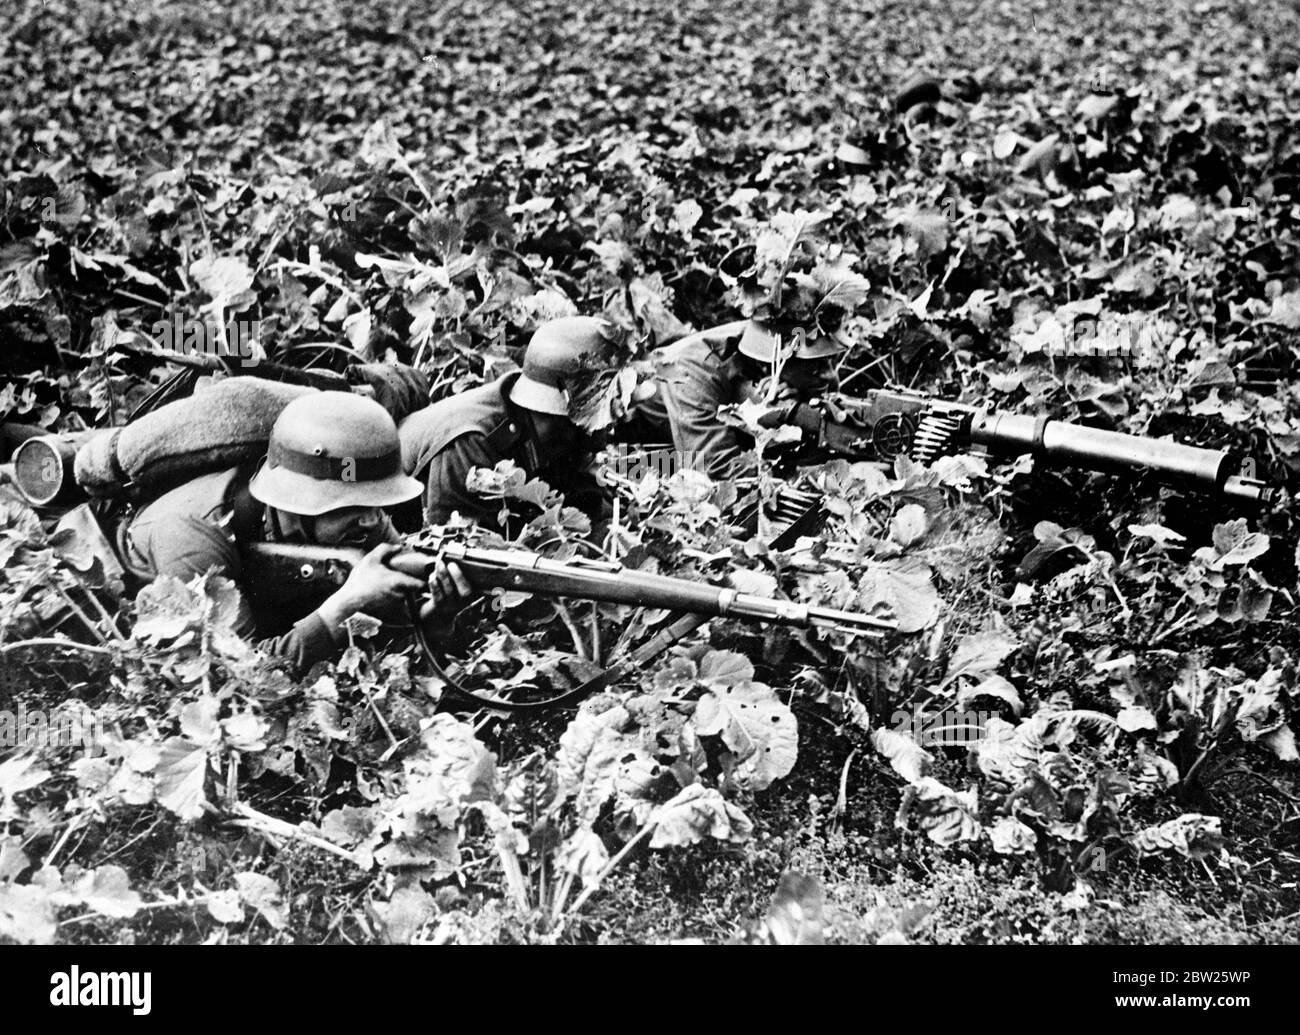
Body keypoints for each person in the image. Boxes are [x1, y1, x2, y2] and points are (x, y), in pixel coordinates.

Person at [118, 391, 470, 675]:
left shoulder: (357, 523)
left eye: (377, 502)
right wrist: (342, 608)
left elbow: (389, 629)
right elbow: (243, 676)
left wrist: (435, 616)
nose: (371, 520)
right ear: (301, 500)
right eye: (351, 506)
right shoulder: (191, 535)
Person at [397, 316, 609, 530]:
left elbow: (588, 495)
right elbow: (455, 542)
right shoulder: (474, 442)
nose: (595, 434)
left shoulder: (549, 429)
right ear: (562, 416)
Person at [634, 318, 845, 480]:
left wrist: (799, 402)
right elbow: (715, 470)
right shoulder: (691, 373)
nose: (830, 375)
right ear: (769, 366)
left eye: (829, 362)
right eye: (816, 369)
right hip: (643, 450)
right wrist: (815, 474)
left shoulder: (771, 336)